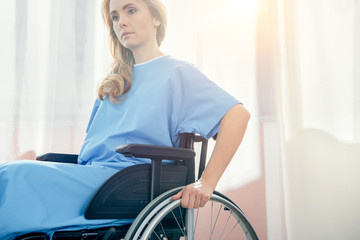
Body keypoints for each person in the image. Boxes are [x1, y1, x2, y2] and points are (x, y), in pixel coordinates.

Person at [0, 0, 250, 238]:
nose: (121, 22)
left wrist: (206, 183)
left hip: (130, 184)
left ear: (155, 18)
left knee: (14, 175)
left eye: (131, 11)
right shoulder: (114, 82)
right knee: (8, 174)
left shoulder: (177, 73)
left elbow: (237, 116)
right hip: (92, 179)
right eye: (115, 16)